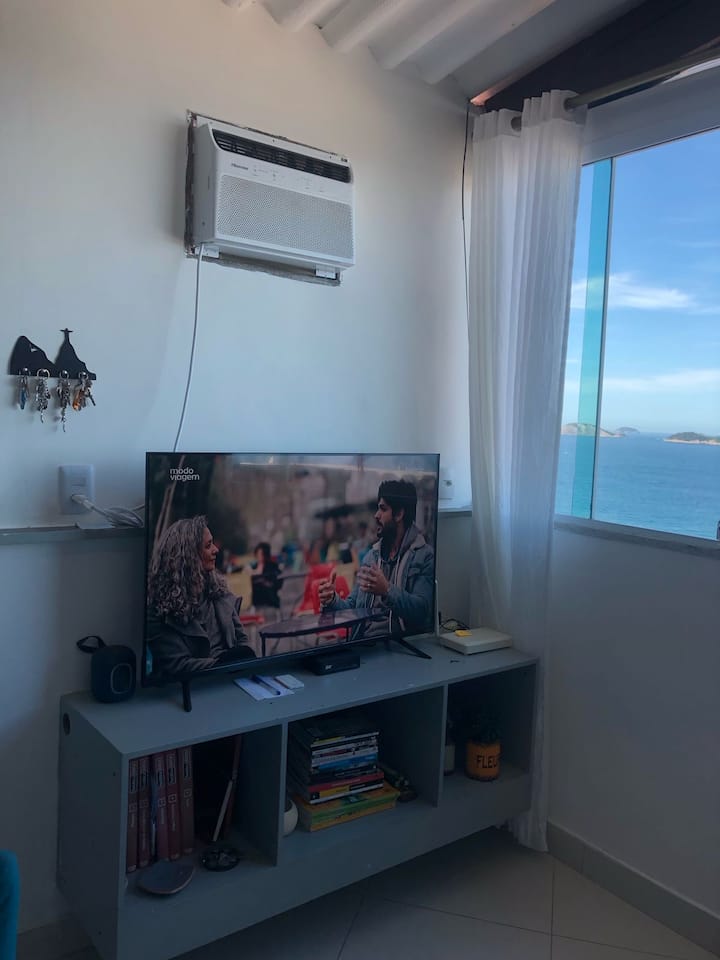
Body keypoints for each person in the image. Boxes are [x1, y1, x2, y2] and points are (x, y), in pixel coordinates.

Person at [317, 480, 435, 639]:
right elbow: (352, 608)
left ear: (399, 514)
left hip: (399, 647)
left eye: (383, 509)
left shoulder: (424, 556)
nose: (376, 515)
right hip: (362, 643)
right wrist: (332, 599)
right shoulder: (371, 557)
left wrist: (387, 590)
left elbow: (422, 612)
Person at [147, 516, 256, 677]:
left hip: (234, 679)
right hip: (193, 687)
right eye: (208, 545)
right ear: (189, 556)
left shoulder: (220, 594)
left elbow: (242, 641)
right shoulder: (159, 611)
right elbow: (176, 665)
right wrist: (225, 664)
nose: (216, 550)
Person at [249, 542, 282, 616]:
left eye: (261, 554)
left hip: (270, 599)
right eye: (258, 554)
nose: (259, 556)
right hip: (257, 600)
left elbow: (278, 583)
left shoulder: (273, 566)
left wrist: (264, 581)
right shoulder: (253, 567)